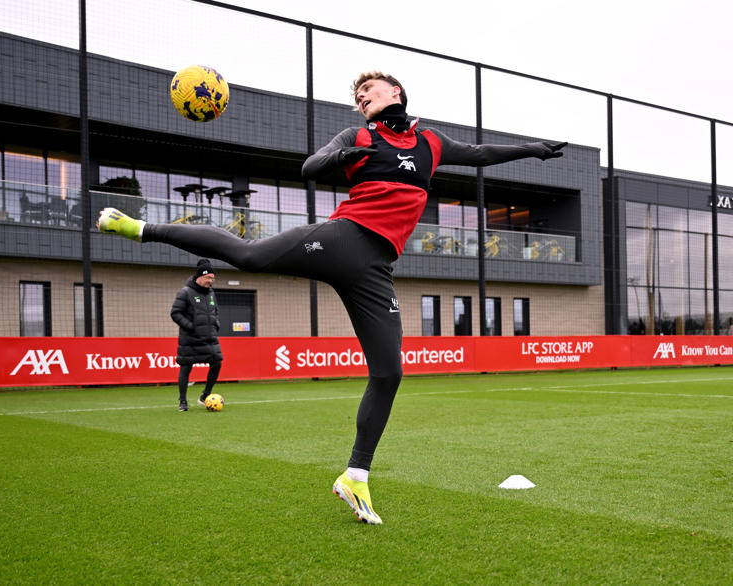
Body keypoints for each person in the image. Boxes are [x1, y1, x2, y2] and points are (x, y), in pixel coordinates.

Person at [96, 71, 566, 524]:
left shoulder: (432, 142)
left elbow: (481, 152)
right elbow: (310, 168)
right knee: (251, 257)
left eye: (369, 89)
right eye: (357, 94)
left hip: (377, 268)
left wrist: (533, 149)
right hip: (344, 238)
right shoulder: (356, 136)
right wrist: (347, 153)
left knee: (389, 371)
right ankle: (138, 227)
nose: (361, 97)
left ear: (395, 91)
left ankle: (355, 476)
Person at [170, 258, 223, 411]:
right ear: (200, 276)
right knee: (186, 367)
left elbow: (216, 311)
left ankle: (205, 395)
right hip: (190, 338)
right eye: (208, 278)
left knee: (217, 362)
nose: (210, 281)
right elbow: (175, 313)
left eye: (212, 278)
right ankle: (183, 402)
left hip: (210, 338)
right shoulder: (185, 292)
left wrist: (215, 324)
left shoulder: (211, 292)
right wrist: (191, 327)